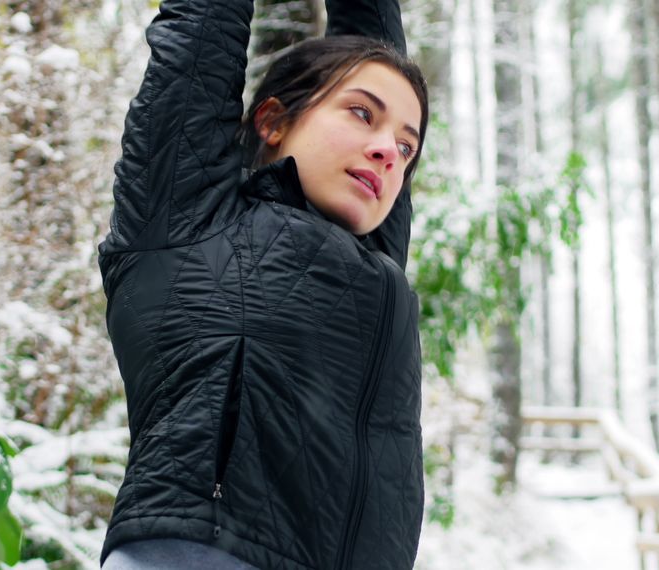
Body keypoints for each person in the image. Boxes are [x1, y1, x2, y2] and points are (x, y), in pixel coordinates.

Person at [96, 0, 429, 567]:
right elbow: (200, 35)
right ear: (272, 121)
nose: (387, 153)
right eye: (360, 113)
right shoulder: (188, 221)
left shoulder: (377, 265)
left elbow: (376, 33)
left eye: (406, 146)